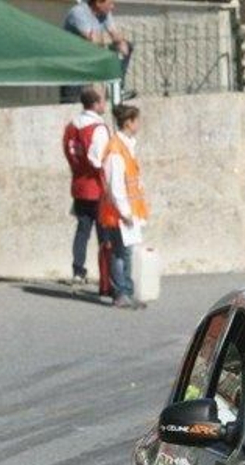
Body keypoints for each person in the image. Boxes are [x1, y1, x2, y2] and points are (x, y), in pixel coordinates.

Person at [100, 103, 149, 310]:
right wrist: (126, 212)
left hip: (126, 212)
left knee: (126, 252)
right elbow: (115, 186)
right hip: (117, 214)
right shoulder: (115, 150)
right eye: (136, 120)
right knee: (120, 253)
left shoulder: (126, 145)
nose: (139, 124)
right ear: (128, 122)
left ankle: (126, 291)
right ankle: (121, 293)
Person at [63, 85, 112, 288]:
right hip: (98, 187)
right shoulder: (97, 128)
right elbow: (100, 159)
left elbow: (69, 152)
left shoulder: (71, 127)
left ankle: (78, 270)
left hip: (79, 185)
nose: (104, 104)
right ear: (95, 103)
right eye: (102, 101)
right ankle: (106, 275)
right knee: (104, 234)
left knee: (82, 230)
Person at [64, 0, 133, 83]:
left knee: (127, 45)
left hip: (92, 53)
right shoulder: (78, 12)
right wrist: (109, 39)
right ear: (98, 3)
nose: (113, 7)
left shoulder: (104, 13)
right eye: (110, 3)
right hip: (75, 60)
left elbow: (115, 34)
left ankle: (119, 86)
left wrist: (121, 42)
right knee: (75, 94)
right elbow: (93, 40)